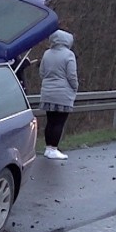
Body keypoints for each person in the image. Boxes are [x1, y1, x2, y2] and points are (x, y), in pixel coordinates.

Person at [38, 29, 78, 160]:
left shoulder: (47, 53)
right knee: (59, 122)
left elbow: (42, 72)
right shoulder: (69, 55)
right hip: (63, 93)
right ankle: (54, 149)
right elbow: (71, 75)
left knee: (50, 121)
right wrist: (75, 87)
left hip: (47, 92)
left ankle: (48, 148)